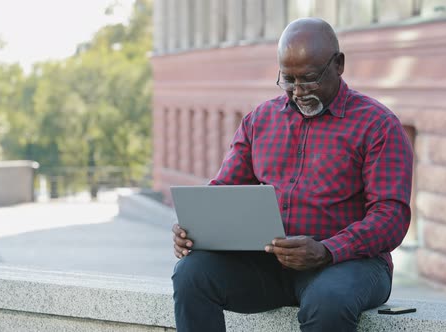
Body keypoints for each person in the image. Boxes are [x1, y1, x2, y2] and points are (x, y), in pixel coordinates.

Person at [171, 17, 413, 332]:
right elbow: (222, 192)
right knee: (191, 273)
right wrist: (194, 230)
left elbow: (391, 216)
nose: (298, 91)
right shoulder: (260, 120)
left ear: (338, 65)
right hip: (268, 266)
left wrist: (328, 251)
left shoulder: (378, 125)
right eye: (288, 79)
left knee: (328, 301)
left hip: (351, 266)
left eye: (309, 79)